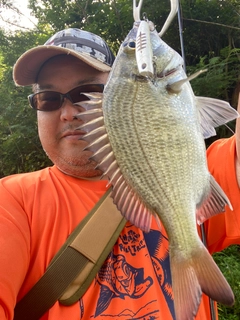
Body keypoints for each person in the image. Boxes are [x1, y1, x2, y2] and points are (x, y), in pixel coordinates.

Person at [0, 27, 239, 320]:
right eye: (49, 98)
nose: (69, 112)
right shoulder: (12, 202)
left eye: (87, 93)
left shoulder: (197, 170)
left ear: (119, 99)